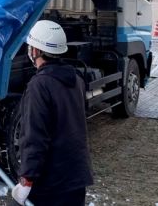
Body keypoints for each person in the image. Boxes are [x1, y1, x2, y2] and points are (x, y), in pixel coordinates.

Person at [11, 20, 93, 206]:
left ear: (36, 51)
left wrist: (26, 180)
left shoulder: (39, 85)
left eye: (31, 47)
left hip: (51, 183)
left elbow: (34, 138)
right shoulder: (76, 79)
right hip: (76, 178)